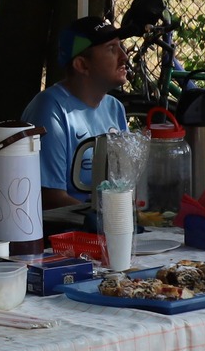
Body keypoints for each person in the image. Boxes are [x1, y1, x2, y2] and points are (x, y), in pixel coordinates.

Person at [24, 16, 131, 210]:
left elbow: (125, 181)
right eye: (111, 49)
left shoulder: (115, 108)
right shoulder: (50, 109)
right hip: (69, 232)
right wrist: (107, 218)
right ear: (82, 65)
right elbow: (50, 198)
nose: (124, 56)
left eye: (121, 47)